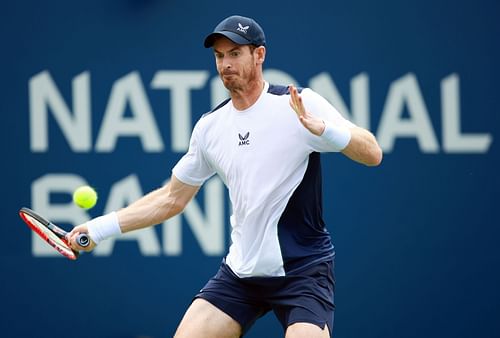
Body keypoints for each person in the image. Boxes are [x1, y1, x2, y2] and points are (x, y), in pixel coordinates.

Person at [68, 15, 382, 338]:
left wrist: (327, 132)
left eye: (234, 53)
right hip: (241, 274)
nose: (225, 64)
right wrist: (97, 229)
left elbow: (372, 153)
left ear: (259, 55)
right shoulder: (210, 128)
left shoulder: (299, 105)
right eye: (219, 56)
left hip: (302, 270)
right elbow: (171, 198)